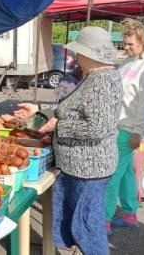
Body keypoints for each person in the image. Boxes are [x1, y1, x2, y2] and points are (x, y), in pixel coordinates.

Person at [15, 26, 122, 254]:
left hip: (88, 169)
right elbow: (72, 110)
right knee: (80, 223)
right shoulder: (94, 77)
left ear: (89, 54)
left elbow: (97, 127)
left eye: (79, 52)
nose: (76, 56)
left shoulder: (101, 81)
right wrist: (39, 110)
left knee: (87, 227)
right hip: (81, 166)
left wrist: (57, 125)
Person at [104, 18, 144, 235]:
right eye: (124, 44)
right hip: (117, 125)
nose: (126, 48)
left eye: (130, 44)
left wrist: (138, 132)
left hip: (128, 129)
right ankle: (129, 214)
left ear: (143, 42)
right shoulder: (128, 61)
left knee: (111, 176)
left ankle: (104, 219)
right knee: (126, 172)